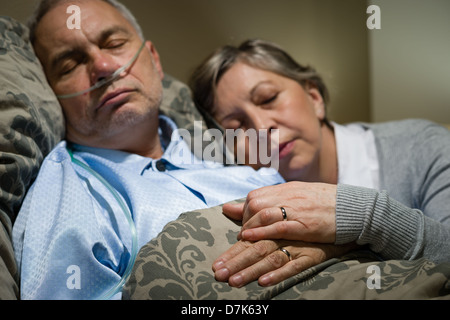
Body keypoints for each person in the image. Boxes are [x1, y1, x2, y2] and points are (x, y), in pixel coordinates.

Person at [11, 0, 289, 300]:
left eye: (115, 43)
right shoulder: (68, 192)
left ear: (154, 60)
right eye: (70, 64)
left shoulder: (230, 159)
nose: (104, 68)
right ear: (51, 94)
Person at [189, 39, 450, 288]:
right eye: (237, 125)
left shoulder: (423, 145)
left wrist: (364, 218)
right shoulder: (233, 198)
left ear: (314, 98)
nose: (261, 127)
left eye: (268, 98)